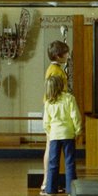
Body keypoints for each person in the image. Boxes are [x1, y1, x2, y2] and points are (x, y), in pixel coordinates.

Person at [41, 74, 81, 195]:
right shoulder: (69, 98)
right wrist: (78, 131)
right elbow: (75, 116)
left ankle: (50, 189)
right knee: (69, 162)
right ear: (61, 85)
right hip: (68, 134)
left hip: (54, 136)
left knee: (53, 163)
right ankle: (70, 190)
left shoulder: (48, 103)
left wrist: (49, 132)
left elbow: (46, 122)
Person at [41, 40, 70, 175]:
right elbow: (53, 92)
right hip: (54, 110)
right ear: (58, 56)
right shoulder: (55, 71)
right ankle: (47, 181)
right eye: (65, 53)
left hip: (53, 109)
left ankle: (49, 181)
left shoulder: (55, 69)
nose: (68, 55)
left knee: (51, 147)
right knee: (50, 147)